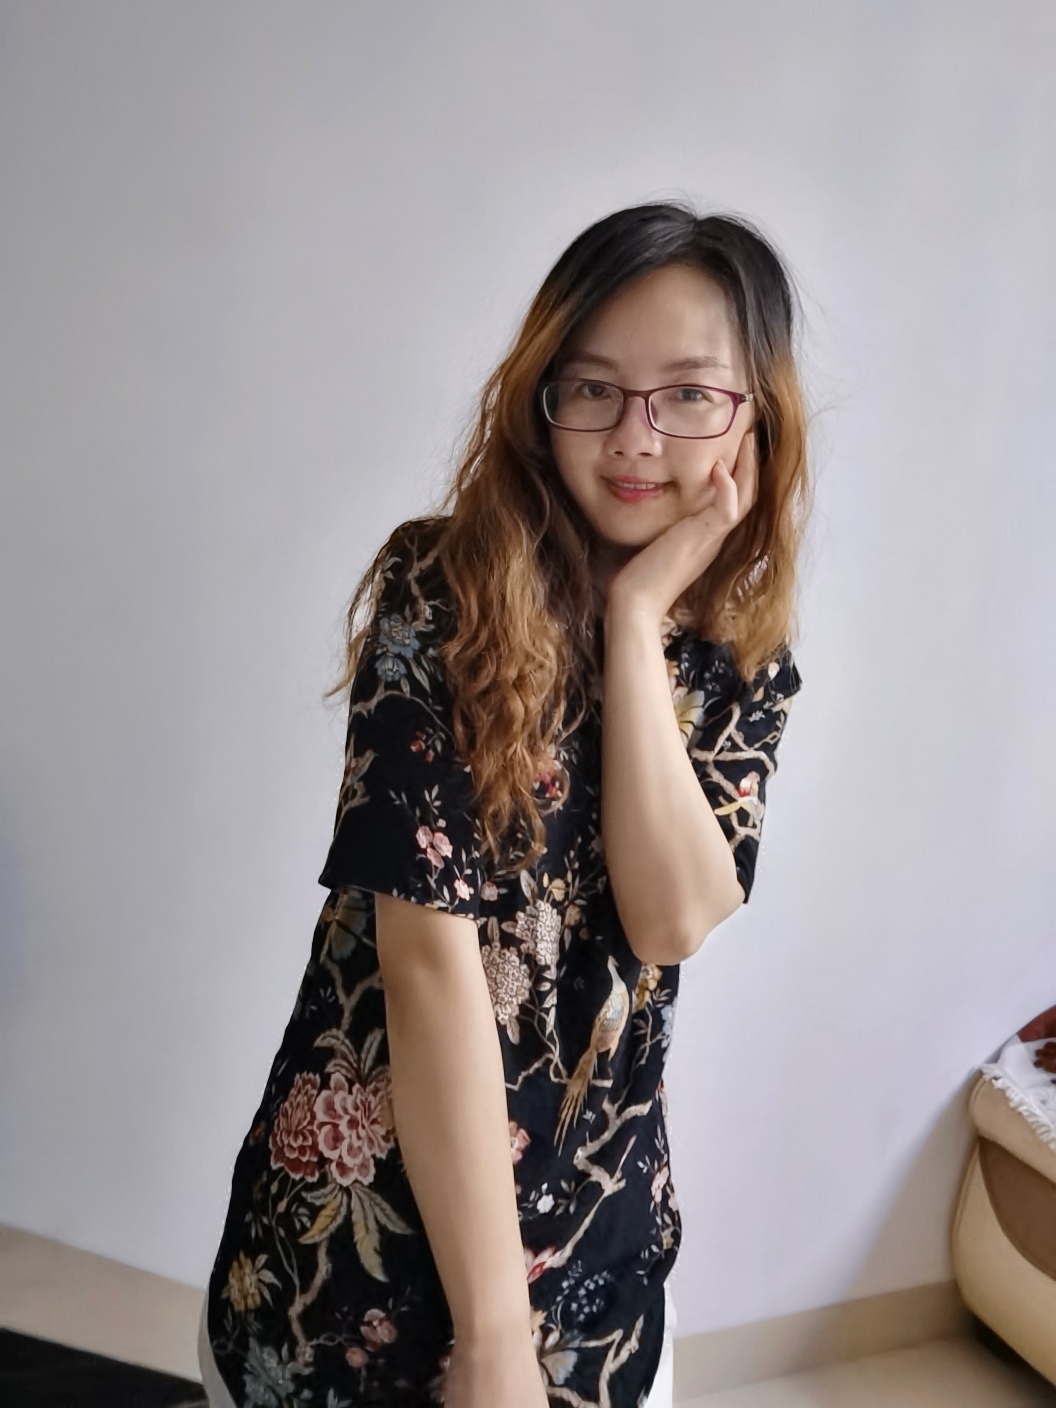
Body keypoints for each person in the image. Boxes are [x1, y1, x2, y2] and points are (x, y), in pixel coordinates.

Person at [198, 201, 811, 1408]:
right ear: (543, 398)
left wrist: (636, 620)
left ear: (756, 417)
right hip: (360, 1272)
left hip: (601, 1268)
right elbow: (426, 963)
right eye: (594, 388)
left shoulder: (742, 659)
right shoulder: (442, 590)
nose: (635, 438)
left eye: (689, 394)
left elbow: (671, 917)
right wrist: (490, 1340)